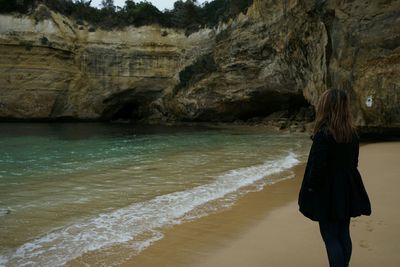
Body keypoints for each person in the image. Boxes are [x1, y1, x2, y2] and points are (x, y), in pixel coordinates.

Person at [298, 89, 372, 267]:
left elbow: (317, 169)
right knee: (343, 233)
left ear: (325, 107)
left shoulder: (323, 135)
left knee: (330, 236)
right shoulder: (352, 134)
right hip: (347, 189)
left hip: (327, 191)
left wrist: (310, 189)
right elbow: (353, 163)